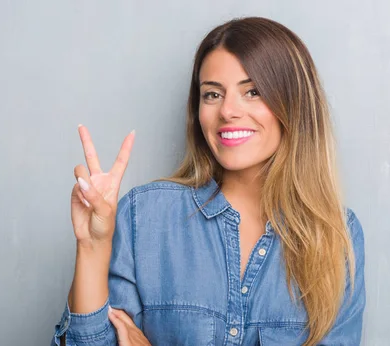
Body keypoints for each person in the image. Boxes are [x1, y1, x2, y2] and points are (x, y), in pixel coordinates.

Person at [52, 16, 366, 346]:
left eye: (253, 92)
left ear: (294, 104)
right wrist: (91, 247)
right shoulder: (143, 215)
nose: (228, 111)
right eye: (213, 94)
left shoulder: (336, 235)